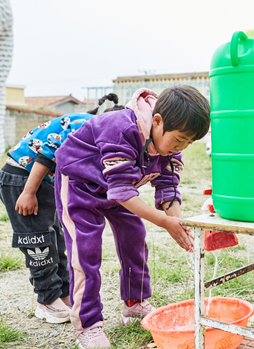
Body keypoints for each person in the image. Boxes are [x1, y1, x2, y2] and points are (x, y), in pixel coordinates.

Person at [54, 86, 210, 349]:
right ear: (157, 121)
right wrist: (163, 222)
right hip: (80, 184)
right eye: (179, 140)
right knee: (86, 251)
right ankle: (88, 324)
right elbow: (123, 192)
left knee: (135, 237)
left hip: (118, 188)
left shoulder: (170, 147)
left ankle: (134, 303)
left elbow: (168, 188)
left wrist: (178, 224)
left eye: (188, 143)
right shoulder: (121, 128)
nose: (180, 147)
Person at [0, 93, 120, 324]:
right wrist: (28, 191)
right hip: (23, 179)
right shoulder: (87, 126)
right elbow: (47, 155)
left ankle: (63, 293)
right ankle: (46, 300)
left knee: (56, 238)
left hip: (43, 183)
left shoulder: (98, 129)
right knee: (38, 242)